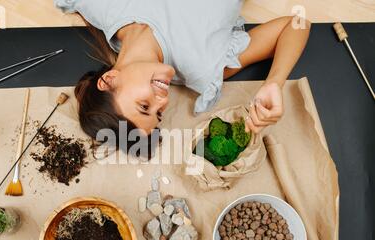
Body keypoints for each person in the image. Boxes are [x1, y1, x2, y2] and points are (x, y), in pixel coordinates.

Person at [55, 0, 310, 155]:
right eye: (159, 114)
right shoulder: (203, 67)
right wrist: (274, 82)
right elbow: (296, 24)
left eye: (144, 106)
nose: (162, 102)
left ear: (109, 80)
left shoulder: (100, 7)